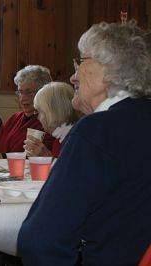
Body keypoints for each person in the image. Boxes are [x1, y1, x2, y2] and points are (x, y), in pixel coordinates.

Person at [18, 21, 151, 265]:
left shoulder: (98, 131)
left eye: (80, 62)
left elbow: (40, 240)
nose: (73, 75)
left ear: (108, 69)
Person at [0, 65, 55, 160]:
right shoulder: (15, 118)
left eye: (29, 92)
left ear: (43, 93)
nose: (22, 98)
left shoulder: (48, 123)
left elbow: (32, 158)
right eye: (20, 92)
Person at [23, 81, 81, 157]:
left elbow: (70, 168)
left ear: (53, 112)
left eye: (40, 112)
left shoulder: (75, 141)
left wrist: (48, 159)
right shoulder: (59, 140)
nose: (38, 117)